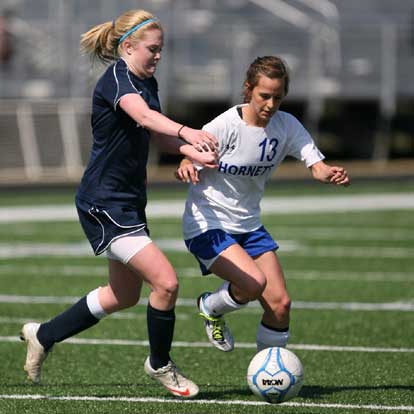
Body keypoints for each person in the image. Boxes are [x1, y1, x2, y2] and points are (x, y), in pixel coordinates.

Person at [20, 9, 219, 399]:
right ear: (127, 47)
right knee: (166, 282)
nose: (158, 56)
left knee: (123, 295)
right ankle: (160, 364)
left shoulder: (147, 80)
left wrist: (192, 151)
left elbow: (158, 136)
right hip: (103, 202)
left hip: (127, 201)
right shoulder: (117, 79)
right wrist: (187, 131)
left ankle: (43, 334)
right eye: (152, 49)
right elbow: (143, 116)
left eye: (161, 50)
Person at [176, 55, 350, 354]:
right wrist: (185, 165)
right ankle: (211, 306)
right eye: (264, 96)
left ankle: (269, 375)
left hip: (249, 225)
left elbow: (316, 164)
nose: (270, 105)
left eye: (278, 98)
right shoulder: (225, 125)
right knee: (254, 283)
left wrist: (328, 173)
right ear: (248, 90)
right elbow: (189, 155)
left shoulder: (286, 126)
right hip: (208, 224)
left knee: (280, 304)